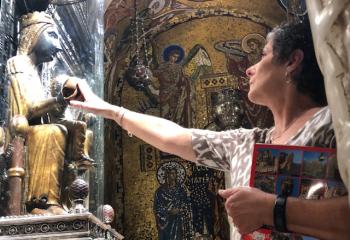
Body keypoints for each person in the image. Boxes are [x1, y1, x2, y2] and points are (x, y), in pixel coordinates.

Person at [69, 19, 350, 239]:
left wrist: (271, 209)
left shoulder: (335, 123)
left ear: (292, 61)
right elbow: (171, 137)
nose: (250, 69)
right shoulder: (246, 142)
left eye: (262, 55)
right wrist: (110, 110)